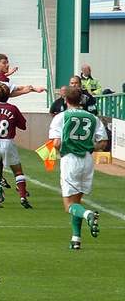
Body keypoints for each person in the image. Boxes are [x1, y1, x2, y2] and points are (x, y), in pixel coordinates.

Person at [48, 86, 108, 250]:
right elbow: (102, 143)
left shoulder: (61, 117)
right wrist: (88, 146)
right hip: (87, 160)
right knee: (77, 201)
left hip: (70, 160)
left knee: (69, 205)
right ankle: (76, 239)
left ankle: (88, 214)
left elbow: (57, 143)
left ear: (65, 100)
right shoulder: (92, 117)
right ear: (81, 100)